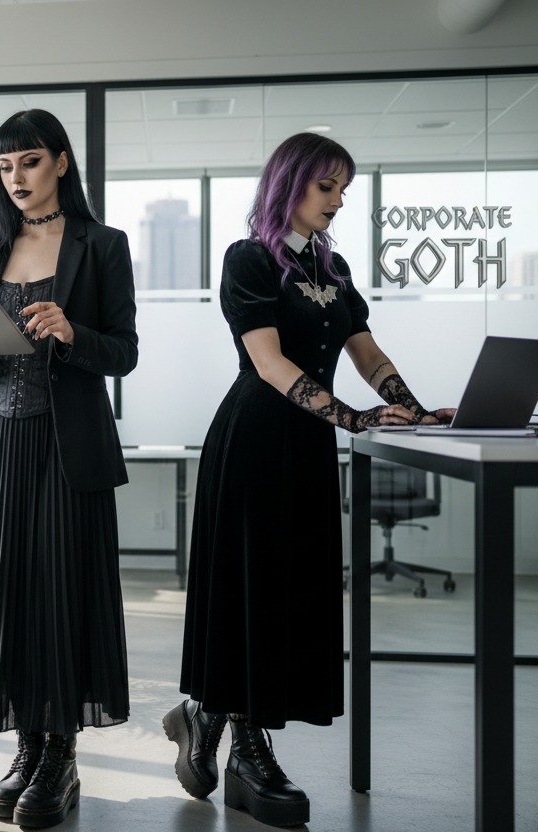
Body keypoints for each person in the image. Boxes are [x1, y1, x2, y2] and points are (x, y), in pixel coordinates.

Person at [163, 133, 452, 827]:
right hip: (254, 440)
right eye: (327, 186)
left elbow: (365, 351)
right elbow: (267, 362)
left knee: (290, 592)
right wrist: (352, 417)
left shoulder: (334, 266)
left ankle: (208, 715)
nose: (339, 200)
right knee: (253, 590)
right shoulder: (249, 259)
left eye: (343, 188)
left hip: (308, 444)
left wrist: (411, 409)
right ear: (289, 185)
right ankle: (247, 750)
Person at [0, 109, 138, 830]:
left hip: (66, 447)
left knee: (61, 592)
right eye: (5, 166)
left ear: (60, 162)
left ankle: (60, 752)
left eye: (28, 161)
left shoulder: (103, 244)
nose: (15, 177)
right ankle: (27, 746)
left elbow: (124, 351)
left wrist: (72, 330)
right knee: (8, 594)